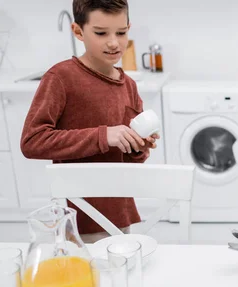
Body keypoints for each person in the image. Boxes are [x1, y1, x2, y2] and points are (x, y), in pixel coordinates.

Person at [20, 0, 159, 243]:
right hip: (79, 217)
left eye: (121, 32)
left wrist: (139, 146)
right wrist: (103, 135)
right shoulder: (61, 78)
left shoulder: (128, 86)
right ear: (78, 31)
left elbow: (127, 157)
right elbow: (32, 141)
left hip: (120, 210)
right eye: (101, 33)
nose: (114, 42)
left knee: (119, 272)